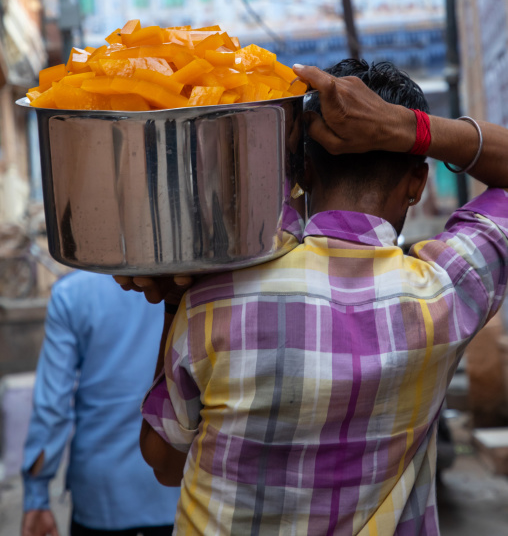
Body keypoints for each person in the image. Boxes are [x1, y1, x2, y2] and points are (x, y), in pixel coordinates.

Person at [117, 58, 508, 535]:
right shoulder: (444, 293)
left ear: (302, 169)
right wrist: (409, 129)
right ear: (416, 183)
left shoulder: (215, 297)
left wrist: (177, 297)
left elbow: (164, 464)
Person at [21, 271, 180, 536]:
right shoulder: (188, 283)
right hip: (177, 485)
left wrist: (36, 498)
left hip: (102, 495)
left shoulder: (72, 293)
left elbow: (52, 408)